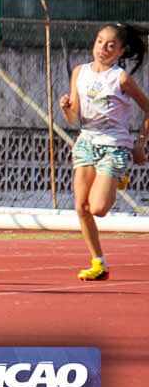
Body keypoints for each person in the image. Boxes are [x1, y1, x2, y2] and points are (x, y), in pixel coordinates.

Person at [59, 22, 149, 281]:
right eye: (100, 42)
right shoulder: (80, 72)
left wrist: (139, 143)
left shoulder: (121, 78)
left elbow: (147, 108)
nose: (103, 49)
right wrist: (66, 107)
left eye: (111, 46)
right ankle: (99, 262)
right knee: (81, 207)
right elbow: (74, 116)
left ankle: (118, 177)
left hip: (114, 145)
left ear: (121, 51)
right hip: (87, 142)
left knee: (98, 208)